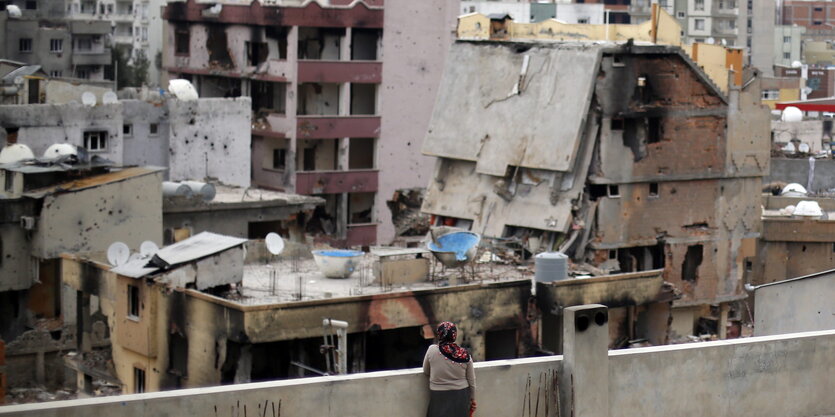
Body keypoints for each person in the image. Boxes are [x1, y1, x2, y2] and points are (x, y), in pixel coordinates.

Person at [423, 321, 476, 417]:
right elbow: (471, 380)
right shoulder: (464, 354)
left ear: (439, 334)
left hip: (438, 394)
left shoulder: (432, 350)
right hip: (461, 395)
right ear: (454, 335)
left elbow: (426, 371)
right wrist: (472, 398)